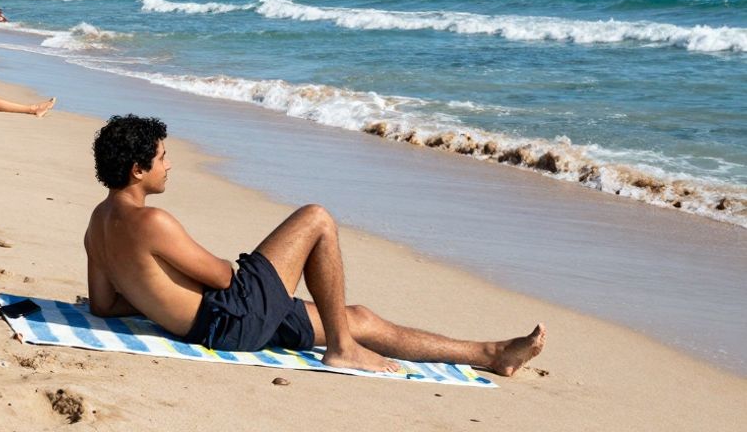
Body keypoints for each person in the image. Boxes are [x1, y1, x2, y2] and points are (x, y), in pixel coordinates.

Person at [83, 115, 546, 376]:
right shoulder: (152, 221)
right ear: (138, 170)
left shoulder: (96, 226)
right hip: (232, 316)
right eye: (162, 158)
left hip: (219, 323)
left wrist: (158, 297)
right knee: (316, 218)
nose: (169, 165)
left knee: (358, 317)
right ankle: (341, 348)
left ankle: (491, 355)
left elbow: (104, 305)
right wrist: (202, 283)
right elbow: (222, 276)